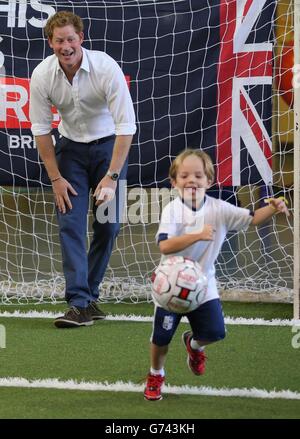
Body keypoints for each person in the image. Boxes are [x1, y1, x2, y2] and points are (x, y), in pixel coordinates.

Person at [144, 148, 289, 401]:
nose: (192, 180)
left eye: (198, 176)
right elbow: (165, 246)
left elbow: (253, 219)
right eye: (185, 175)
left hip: (203, 285)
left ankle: (194, 345)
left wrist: (275, 207)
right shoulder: (172, 211)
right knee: (161, 338)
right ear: (174, 182)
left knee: (215, 333)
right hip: (170, 285)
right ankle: (156, 374)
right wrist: (197, 235)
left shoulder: (219, 208)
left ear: (209, 181)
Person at [29, 11, 136, 328]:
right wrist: (56, 178)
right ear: (51, 42)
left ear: (81, 39)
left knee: (108, 226)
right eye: (59, 40)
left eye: (71, 39)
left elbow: (126, 127)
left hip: (109, 153)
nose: (66, 46)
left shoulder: (105, 67)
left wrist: (112, 176)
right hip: (70, 153)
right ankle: (79, 303)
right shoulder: (42, 75)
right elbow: (41, 129)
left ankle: (88, 296)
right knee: (70, 224)